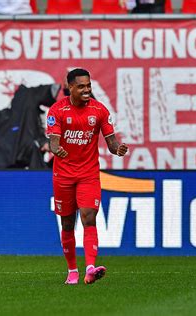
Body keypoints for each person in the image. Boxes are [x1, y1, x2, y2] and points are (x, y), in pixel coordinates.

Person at [46, 68, 128, 285]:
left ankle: (90, 268)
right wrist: (56, 149)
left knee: (89, 216)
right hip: (63, 175)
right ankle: (72, 270)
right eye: (81, 86)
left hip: (88, 174)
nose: (86, 90)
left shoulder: (99, 110)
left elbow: (111, 143)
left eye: (88, 86)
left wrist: (117, 149)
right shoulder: (57, 110)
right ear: (70, 87)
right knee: (67, 223)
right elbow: (53, 141)